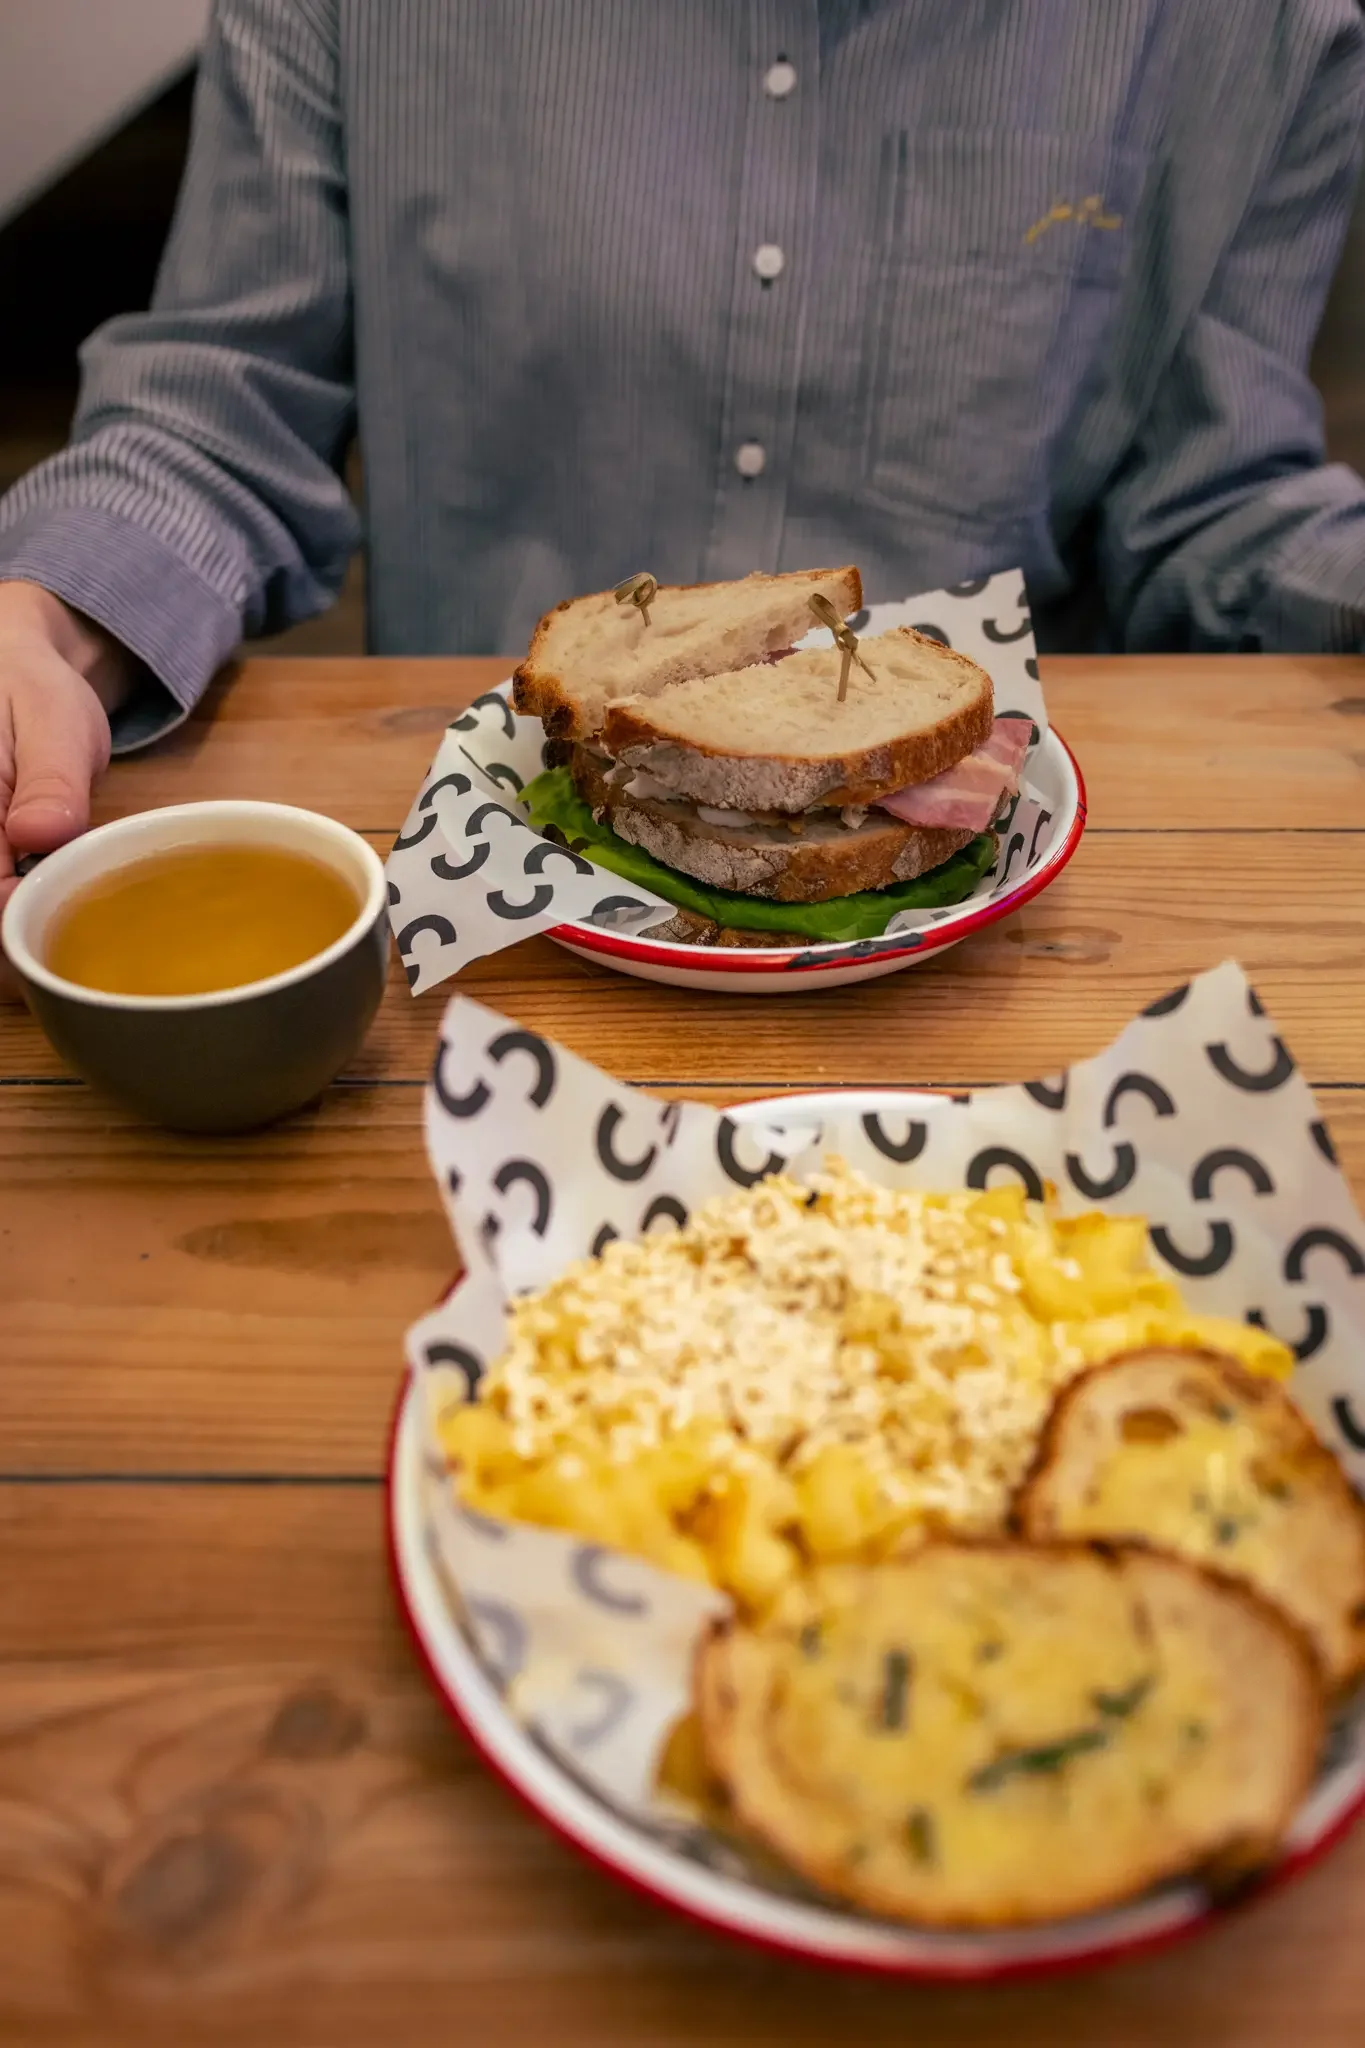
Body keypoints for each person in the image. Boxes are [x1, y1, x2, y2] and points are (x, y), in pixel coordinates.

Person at [2, 0, 1364, 981]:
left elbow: (1216, 504)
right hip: (484, 973)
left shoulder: (1267, 33)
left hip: (1008, 988)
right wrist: (45, 624)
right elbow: (225, 396)